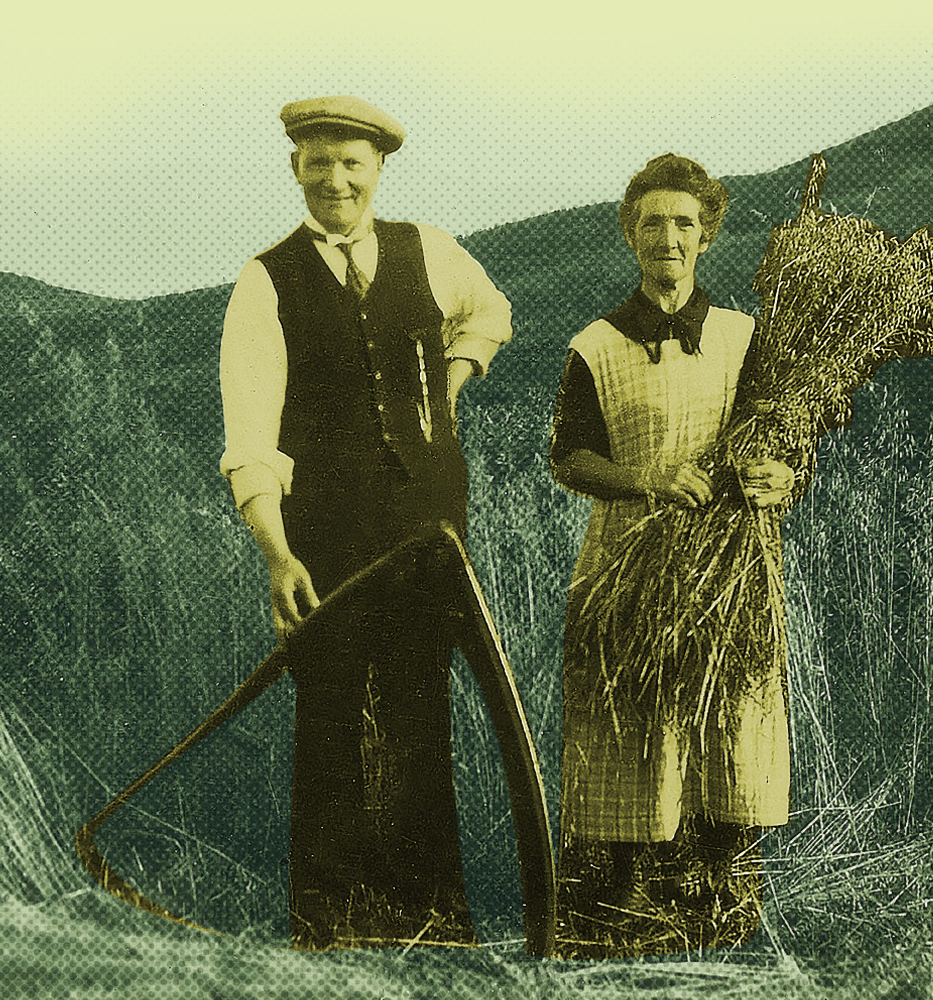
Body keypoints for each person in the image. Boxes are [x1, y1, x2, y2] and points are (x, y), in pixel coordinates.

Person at [217, 95, 514, 950]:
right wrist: (276, 552)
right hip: (327, 539)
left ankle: (432, 921)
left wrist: (450, 385)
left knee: (422, 711)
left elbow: (490, 311)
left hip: (430, 532)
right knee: (334, 720)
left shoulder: (432, 250)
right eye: (319, 162)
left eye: (353, 163)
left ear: (379, 169)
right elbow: (251, 435)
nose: (336, 179)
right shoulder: (265, 280)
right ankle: (330, 926)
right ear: (295, 169)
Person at [547, 154, 795, 958]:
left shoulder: (743, 338)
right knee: (629, 713)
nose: (668, 237)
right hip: (629, 556)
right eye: (652, 221)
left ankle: (723, 889)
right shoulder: (595, 345)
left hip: (730, 567)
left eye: (684, 223)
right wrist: (644, 480)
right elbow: (569, 457)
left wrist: (779, 474)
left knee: (733, 712)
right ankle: (619, 899)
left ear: (706, 235)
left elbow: (782, 438)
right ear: (630, 232)